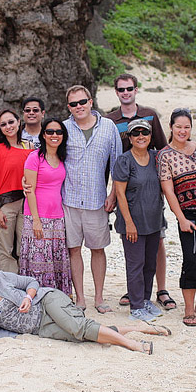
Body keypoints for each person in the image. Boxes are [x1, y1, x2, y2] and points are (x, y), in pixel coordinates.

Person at [0, 256, 168, 353]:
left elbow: (31, 283)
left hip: (45, 302)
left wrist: (27, 297)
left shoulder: (2, 278)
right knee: (79, 336)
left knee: (78, 327)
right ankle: (136, 328)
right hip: (38, 328)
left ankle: (133, 345)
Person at [104, 73, 175, 312]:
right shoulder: (110, 120)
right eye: (121, 89)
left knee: (156, 243)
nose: (126, 92)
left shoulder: (150, 115)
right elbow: (108, 158)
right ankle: (136, 295)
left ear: (136, 89)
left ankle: (160, 290)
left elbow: (163, 150)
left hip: (149, 185)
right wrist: (112, 193)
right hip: (125, 181)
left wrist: (167, 188)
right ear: (116, 92)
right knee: (134, 250)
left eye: (129, 88)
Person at [59, 85, 121, 314]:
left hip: (97, 201)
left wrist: (112, 194)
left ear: (91, 102)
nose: (79, 107)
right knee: (73, 250)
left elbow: (117, 164)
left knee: (98, 249)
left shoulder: (108, 127)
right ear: (68, 107)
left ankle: (99, 297)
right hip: (69, 200)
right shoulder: (63, 129)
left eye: (82, 102)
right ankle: (80, 298)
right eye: (73, 104)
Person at [157, 108, 196, 327]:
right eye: (178, 127)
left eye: (187, 127)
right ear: (171, 127)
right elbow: (169, 191)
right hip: (189, 215)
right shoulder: (165, 155)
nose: (182, 131)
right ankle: (189, 309)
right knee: (192, 260)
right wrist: (181, 218)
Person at [112, 119, 165, 323]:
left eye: (144, 132)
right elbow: (120, 193)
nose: (140, 136)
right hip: (132, 222)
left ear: (150, 135)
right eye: (136, 133)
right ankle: (135, 306)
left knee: (150, 264)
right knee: (136, 265)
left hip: (153, 220)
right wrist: (129, 222)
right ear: (130, 138)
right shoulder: (124, 161)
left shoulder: (156, 157)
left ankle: (145, 300)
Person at [20, 118, 72, 294]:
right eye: (50, 132)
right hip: (37, 216)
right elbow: (29, 190)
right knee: (38, 261)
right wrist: (36, 220)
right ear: (43, 135)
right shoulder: (34, 157)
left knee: (56, 259)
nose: (54, 135)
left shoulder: (63, 157)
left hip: (57, 217)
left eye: (59, 132)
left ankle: (58, 297)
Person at [0, 109, 33, 273]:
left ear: (19, 122)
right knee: (5, 249)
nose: (8, 126)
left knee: (24, 247)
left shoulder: (31, 147)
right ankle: (6, 287)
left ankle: (23, 286)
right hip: (5, 204)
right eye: (3, 124)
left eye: (11, 122)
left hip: (27, 203)